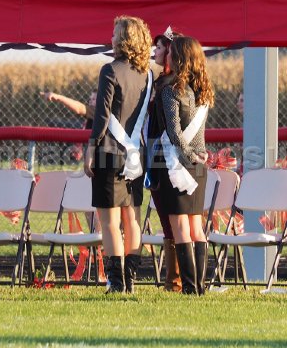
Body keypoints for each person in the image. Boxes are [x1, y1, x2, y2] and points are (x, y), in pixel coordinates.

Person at [84, 15, 152, 294]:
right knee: (132, 217)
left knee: (109, 221)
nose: (111, 38)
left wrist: (90, 148)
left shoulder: (109, 70)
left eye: (114, 33)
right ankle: (130, 280)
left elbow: (101, 116)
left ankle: (115, 282)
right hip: (136, 153)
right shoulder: (148, 74)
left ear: (124, 39)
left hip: (109, 151)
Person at [157, 36, 215, 295]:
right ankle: (199, 287)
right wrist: (197, 156)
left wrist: (189, 155)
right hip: (199, 166)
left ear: (179, 58)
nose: (167, 55)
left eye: (171, 52)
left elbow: (174, 133)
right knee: (196, 227)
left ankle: (190, 289)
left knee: (180, 226)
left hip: (176, 165)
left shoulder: (171, 90)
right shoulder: (203, 90)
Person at [40, 89, 106, 282]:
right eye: (90, 99)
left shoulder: (101, 112)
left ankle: (105, 264)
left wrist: (59, 97)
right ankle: (98, 260)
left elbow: (79, 108)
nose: (92, 102)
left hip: (103, 171)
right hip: (92, 171)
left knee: (100, 222)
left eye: (95, 99)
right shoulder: (91, 119)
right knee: (91, 215)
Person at [147, 27, 182, 292]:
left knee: (174, 218)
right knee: (166, 218)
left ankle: (176, 280)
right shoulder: (159, 81)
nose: (155, 51)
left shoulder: (171, 84)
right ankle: (174, 278)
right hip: (155, 155)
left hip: (167, 156)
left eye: (159, 47)